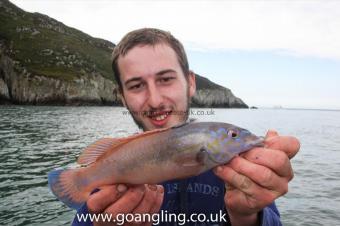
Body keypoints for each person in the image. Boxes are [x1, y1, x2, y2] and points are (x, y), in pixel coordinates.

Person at [72, 28, 300, 226]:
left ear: (190, 83)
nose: (155, 100)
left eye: (166, 79)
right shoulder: (105, 180)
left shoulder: (238, 170)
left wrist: (246, 218)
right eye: (136, 85)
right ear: (122, 97)